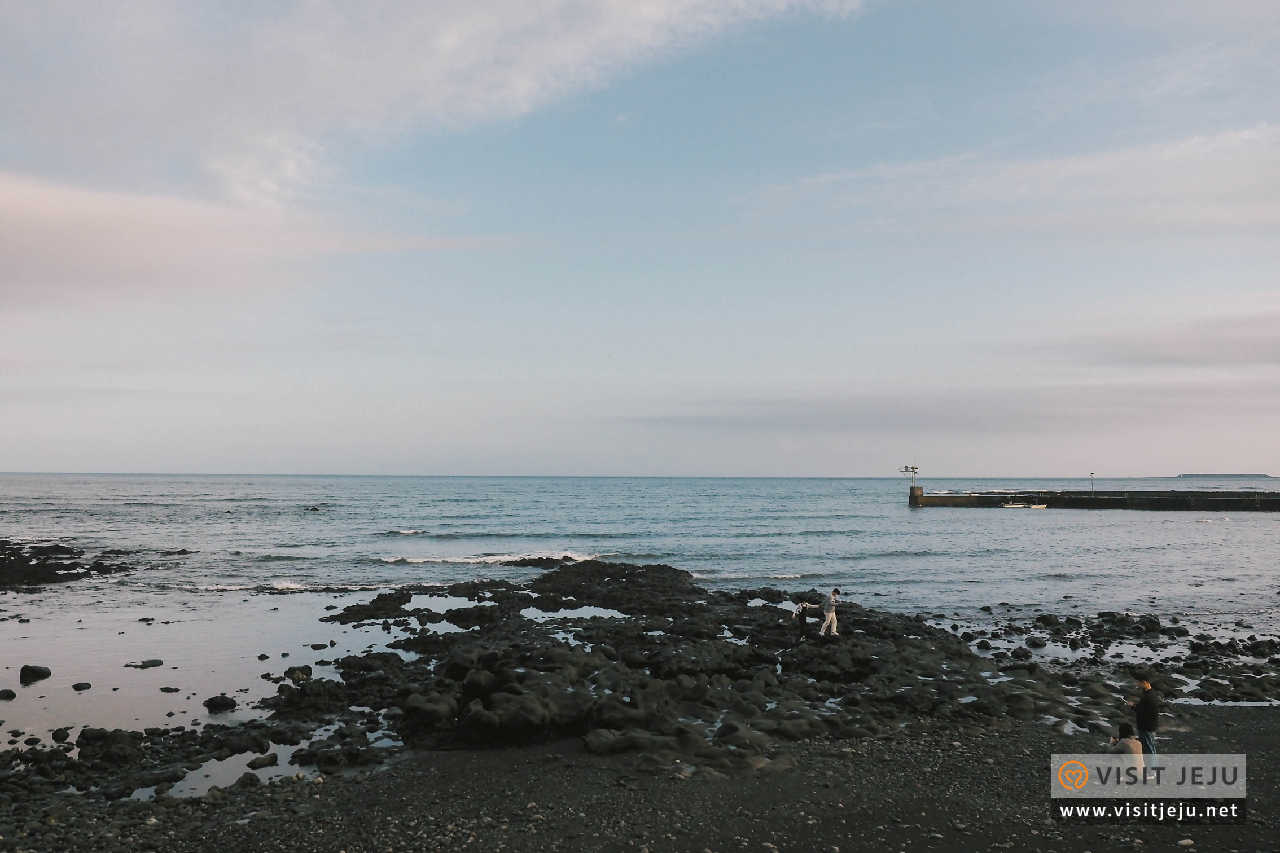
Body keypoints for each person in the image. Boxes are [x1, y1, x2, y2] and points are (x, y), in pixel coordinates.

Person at [1126, 674, 1160, 755]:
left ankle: (1151, 767)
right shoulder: (1149, 693)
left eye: (1138, 683)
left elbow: (1144, 713)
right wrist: (1135, 705)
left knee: (1148, 750)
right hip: (1147, 727)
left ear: (1144, 682)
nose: (1137, 685)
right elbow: (1144, 709)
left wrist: (1133, 707)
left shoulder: (1148, 697)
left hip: (1146, 728)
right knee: (1148, 749)